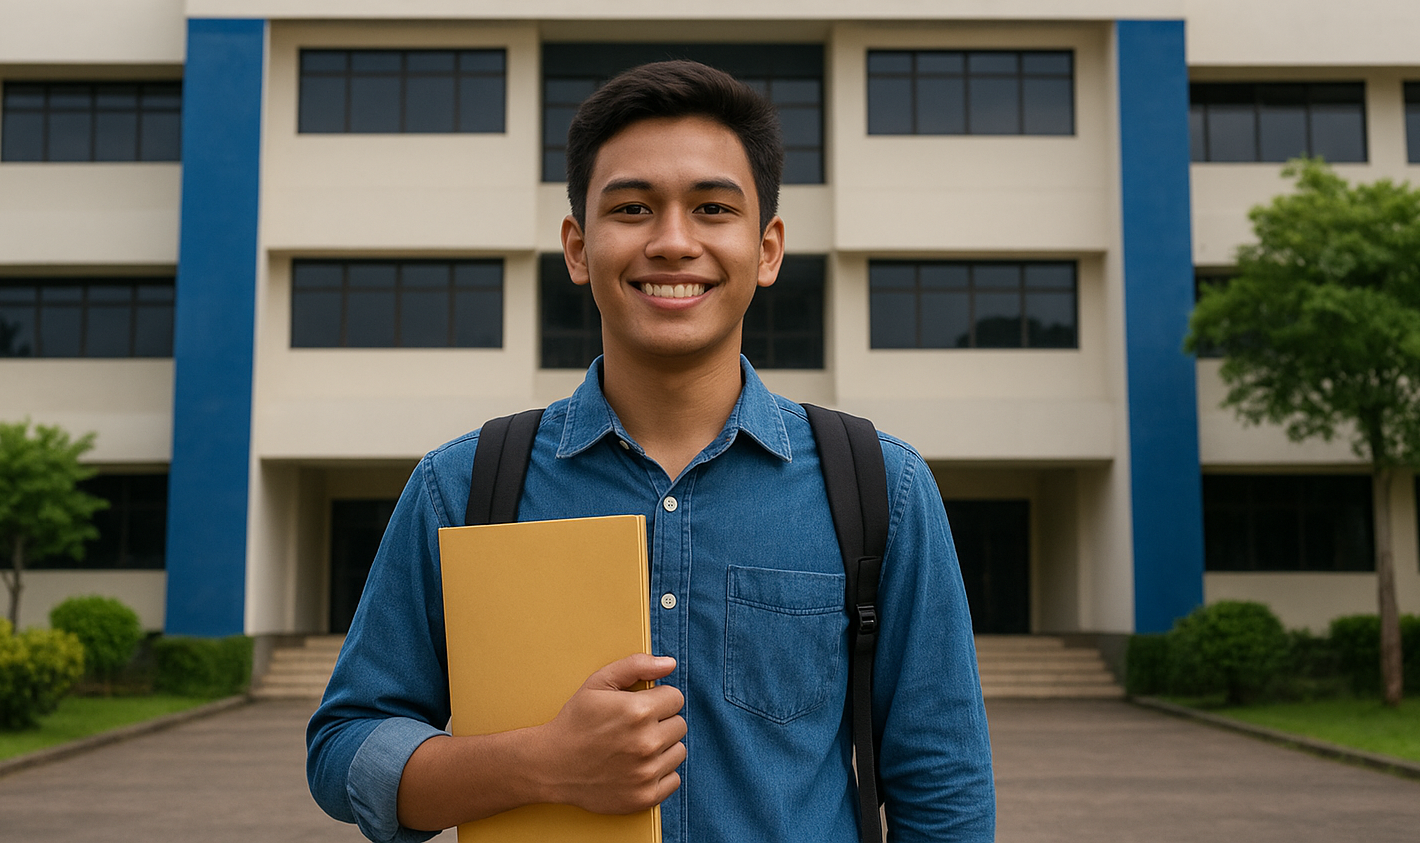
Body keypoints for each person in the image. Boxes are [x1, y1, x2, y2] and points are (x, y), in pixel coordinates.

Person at [306, 60, 996, 842]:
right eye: (632, 208)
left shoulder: (880, 487)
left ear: (767, 249)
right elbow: (344, 748)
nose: (673, 243)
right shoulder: (461, 487)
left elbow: (943, 785)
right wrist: (541, 762)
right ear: (577, 247)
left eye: (711, 208)